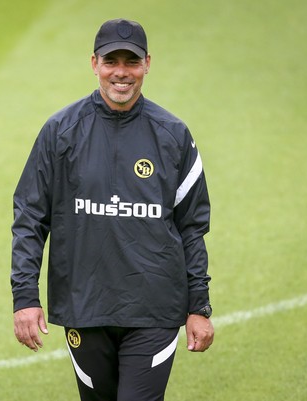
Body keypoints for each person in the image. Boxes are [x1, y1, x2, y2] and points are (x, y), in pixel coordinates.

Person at [11, 18, 214, 401]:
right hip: (84, 307)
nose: (121, 72)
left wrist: (199, 306)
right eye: (111, 61)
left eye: (131, 61)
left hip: (154, 310)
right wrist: (25, 297)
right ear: (94, 64)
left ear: (147, 64)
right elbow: (29, 219)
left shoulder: (173, 136)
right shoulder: (60, 133)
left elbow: (192, 227)